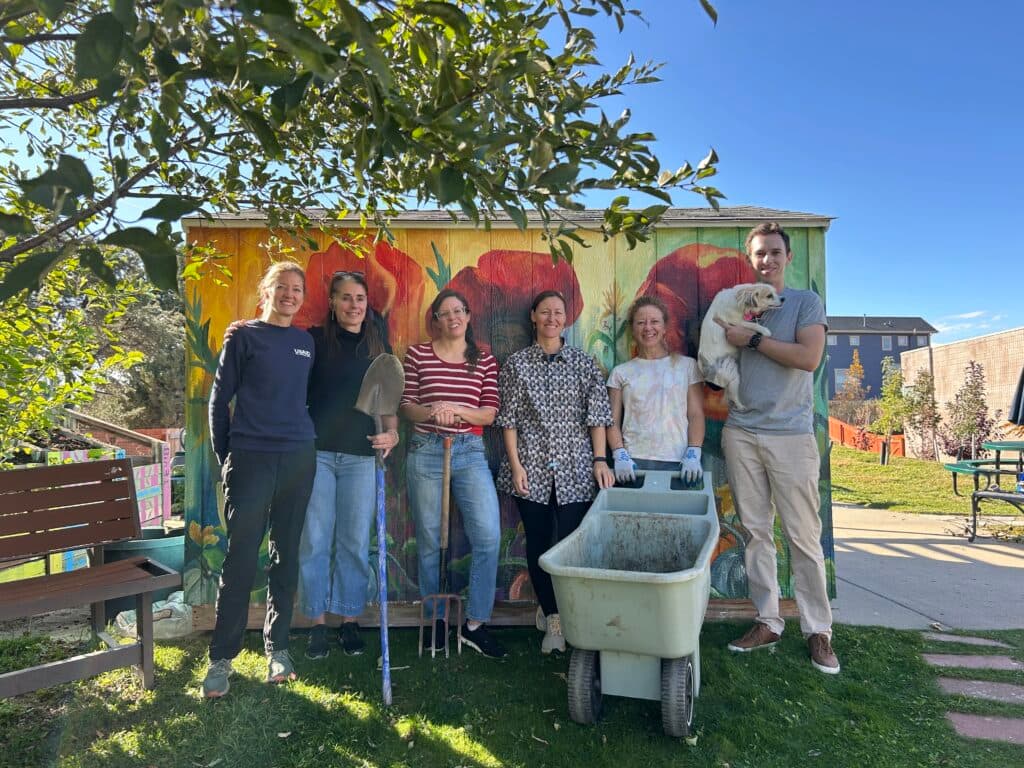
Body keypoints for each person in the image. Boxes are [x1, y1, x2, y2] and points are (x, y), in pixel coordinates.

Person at [715, 221, 839, 674]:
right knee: (756, 533)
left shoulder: (804, 303)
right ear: (751, 260)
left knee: (803, 535)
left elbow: (808, 358)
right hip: (742, 431)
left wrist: (751, 338)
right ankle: (768, 621)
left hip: (790, 434)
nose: (766, 260)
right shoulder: (736, 305)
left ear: (787, 257)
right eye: (759, 254)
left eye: (773, 252)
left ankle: (818, 630)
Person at [203, 262, 317, 698]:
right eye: (281, 288)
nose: (289, 295)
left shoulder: (305, 343)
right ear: (265, 292)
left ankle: (279, 650)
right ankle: (221, 659)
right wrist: (227, 457)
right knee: (241, 560)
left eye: (296, 289)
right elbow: (219, 401)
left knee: (285, 556)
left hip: (297, 459)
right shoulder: (243, 336)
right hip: (250, 460)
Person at [496, 290, 615, 654]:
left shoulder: (583, 363)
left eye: (558, 312)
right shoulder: (517, 365)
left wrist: (599, 460)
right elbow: (509, 420)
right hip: (530, 467)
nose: (551, 318)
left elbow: (597, 417)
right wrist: (516, 466)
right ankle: (554, 619)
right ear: (533, 316)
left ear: (566, 319)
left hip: (576, 469)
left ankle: (569, 613)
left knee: (570, 544)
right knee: (539, 543)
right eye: (545, 311)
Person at [400, 289, 507, 658]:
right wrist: (433, 412)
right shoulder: (417, 354)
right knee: (430, 542)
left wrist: (454, 409)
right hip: (426, 451)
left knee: (488, 535)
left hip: (469, 452)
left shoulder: (485, 360)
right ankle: (438, 622)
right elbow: (408, 407)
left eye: (458, 311)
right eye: (444, 313)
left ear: (468, 315)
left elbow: (489, 413)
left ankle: (475, 623)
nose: (453, 318)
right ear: (435, 319)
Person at [300, 271, 400, 660]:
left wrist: (392, 436)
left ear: (367, 304)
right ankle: (317, 623)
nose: (353, 305)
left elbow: (388, 403)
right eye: (345, 298)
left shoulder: (378, 347)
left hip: (361, 457)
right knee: (315, 540)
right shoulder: (312, 342)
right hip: (318, 455)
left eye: (359, 298)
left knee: (354, 543)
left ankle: (348, 619)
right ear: (332, 301)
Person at [606, 295, 705, 482]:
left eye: (655, 322)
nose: (648, 328)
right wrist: (619, 453)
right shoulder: (620, 373)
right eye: (641, 322)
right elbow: (611, 420)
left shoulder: (688, 367)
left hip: (679, 462)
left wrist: (694, 451)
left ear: (665, 327)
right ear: (633, 329)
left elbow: (696, 415)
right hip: (634, 464)